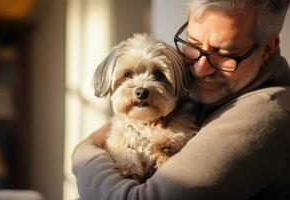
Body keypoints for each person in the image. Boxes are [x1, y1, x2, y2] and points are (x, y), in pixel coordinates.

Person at [72, 0, 290, 199]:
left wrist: (84, 151)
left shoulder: (262, 112)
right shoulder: (211, 96)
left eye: (223, 53)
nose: (199, 68)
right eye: (193, 43)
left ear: (267, 50)